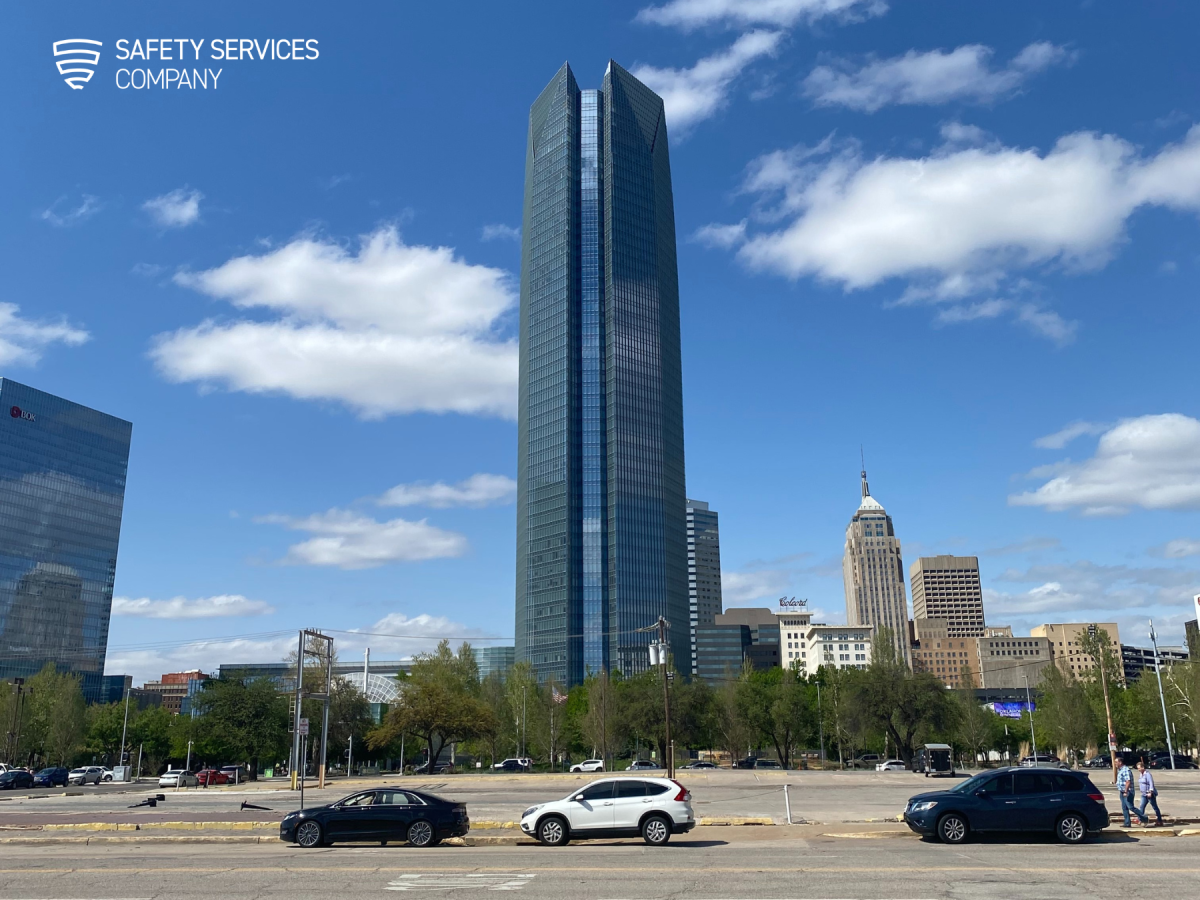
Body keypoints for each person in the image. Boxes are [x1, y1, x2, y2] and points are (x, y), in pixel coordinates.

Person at [1115, 756, 1143, 827]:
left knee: (1130, 807)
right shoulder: (1120, 770)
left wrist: (1125, 791)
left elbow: (1128, 782)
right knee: (1124, 807)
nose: (1115, 763)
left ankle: (1144, 817)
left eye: (1116, 762)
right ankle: (1127, 823)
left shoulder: (1125, 770)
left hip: (1127, 792)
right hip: (1122, 791)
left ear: (1120, 762)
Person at [1136, 760, 1164, 827]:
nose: (1138, 769)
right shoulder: (1141, 774)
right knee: (1141, 806)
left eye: (1139, 768)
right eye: (1138, 768)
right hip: (1143, 794)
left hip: (1149, 794)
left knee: (1155, 807)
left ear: (1143, 767)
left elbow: (1151, 783)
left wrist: (1150, 792)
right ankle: (1140, 819)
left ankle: (1160, 820)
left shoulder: (1147, 774)